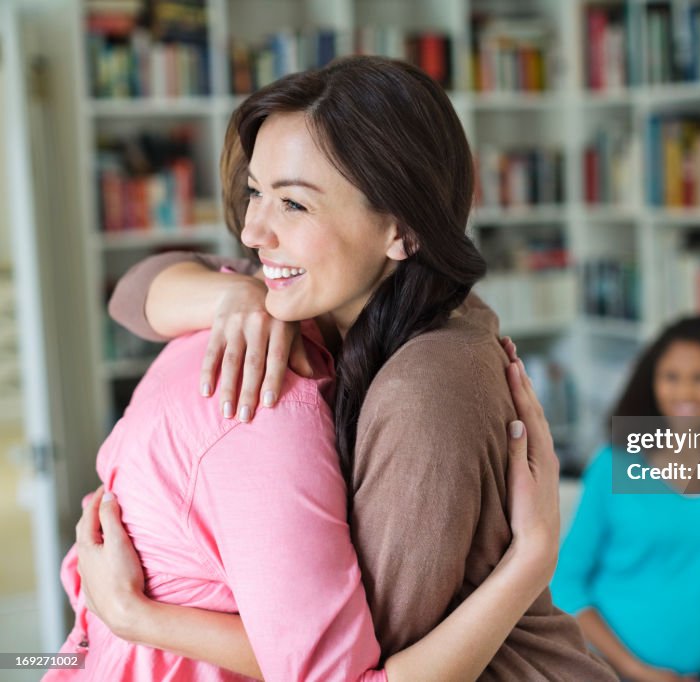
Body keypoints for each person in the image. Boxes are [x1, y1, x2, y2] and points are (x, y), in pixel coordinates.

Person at [71, 55, 615, 681]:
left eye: (294, 205)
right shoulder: (325, 294)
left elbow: (361, 658)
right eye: (256, 192)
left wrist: (136, 616)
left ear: (401, 230)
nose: (253, 233)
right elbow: (133, 293)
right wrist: (234, 296)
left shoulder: (425, 390)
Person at [551, 315, 700, 681]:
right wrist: (637, 671)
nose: (683, 393)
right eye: (670, 377)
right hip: (602, 670)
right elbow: (564, 585)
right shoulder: (615, 465)